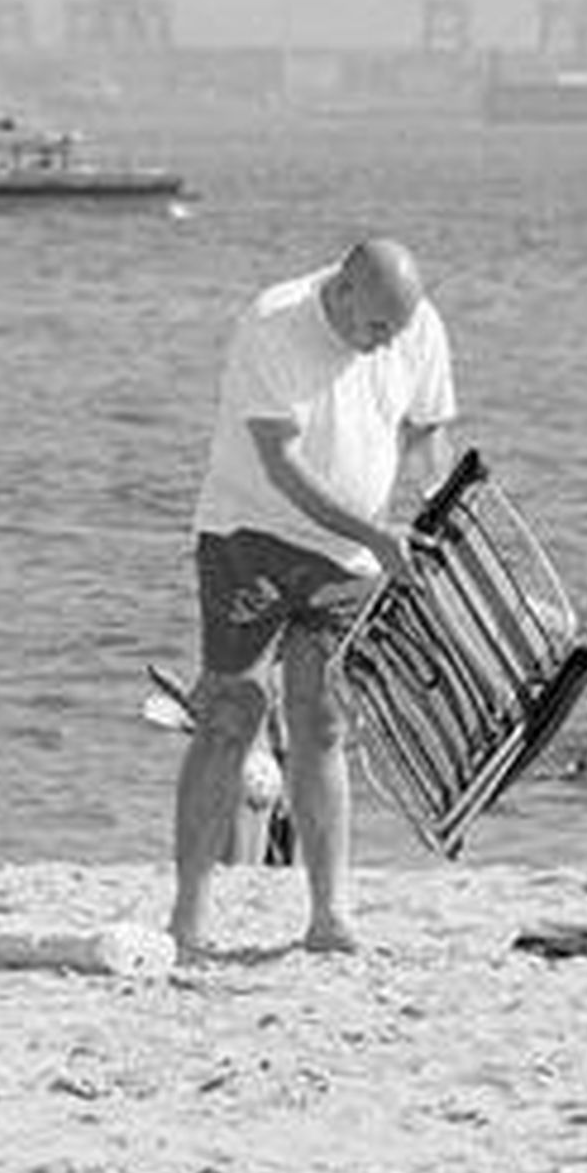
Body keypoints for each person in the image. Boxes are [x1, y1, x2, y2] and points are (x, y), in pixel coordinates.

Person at [170, 237, 457, 955]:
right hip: (250, 536)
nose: (385, 342)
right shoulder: (273, 323)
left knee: (322, 720)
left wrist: (427, 503)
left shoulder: (414, 322)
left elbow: (426, 432)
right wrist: (375, 534)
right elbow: (283, 469)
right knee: (231, 716)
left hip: (351, 553)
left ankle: (331, 916)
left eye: (396, 329)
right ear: (344, 290)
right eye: (374, 328)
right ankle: (189, 917)